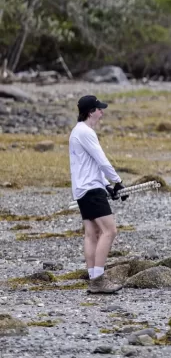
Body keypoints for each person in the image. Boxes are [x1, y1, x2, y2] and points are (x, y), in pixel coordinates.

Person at [70, 95, 124, 294]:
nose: (102, 112)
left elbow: (89, 164)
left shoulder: (78, 132)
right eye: (99, 109)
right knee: (110, 231)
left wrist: (106, 185)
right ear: (91, 112)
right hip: (91, 189)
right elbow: (102, 160)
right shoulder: (86, 132)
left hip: (84, 188)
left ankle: (93, 277)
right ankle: (99, 280)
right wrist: (117, 182)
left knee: (92, 234)